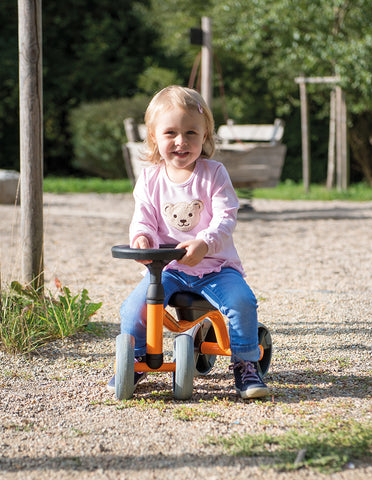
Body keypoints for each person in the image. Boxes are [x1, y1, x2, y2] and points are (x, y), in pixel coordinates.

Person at [108, 85, 269, 399]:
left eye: (191, 133)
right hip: (166, 270)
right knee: (133, 309)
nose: (181, 141)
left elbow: (226, 217)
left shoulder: (213, 174)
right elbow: (143, 217)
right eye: (171, 133)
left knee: (242, 302)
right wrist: (141, 238)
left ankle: (246, 363)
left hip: (215, 267)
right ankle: (138, 359)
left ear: (205, 135)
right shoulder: (150, 179)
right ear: (154, 137)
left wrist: (205, 243)